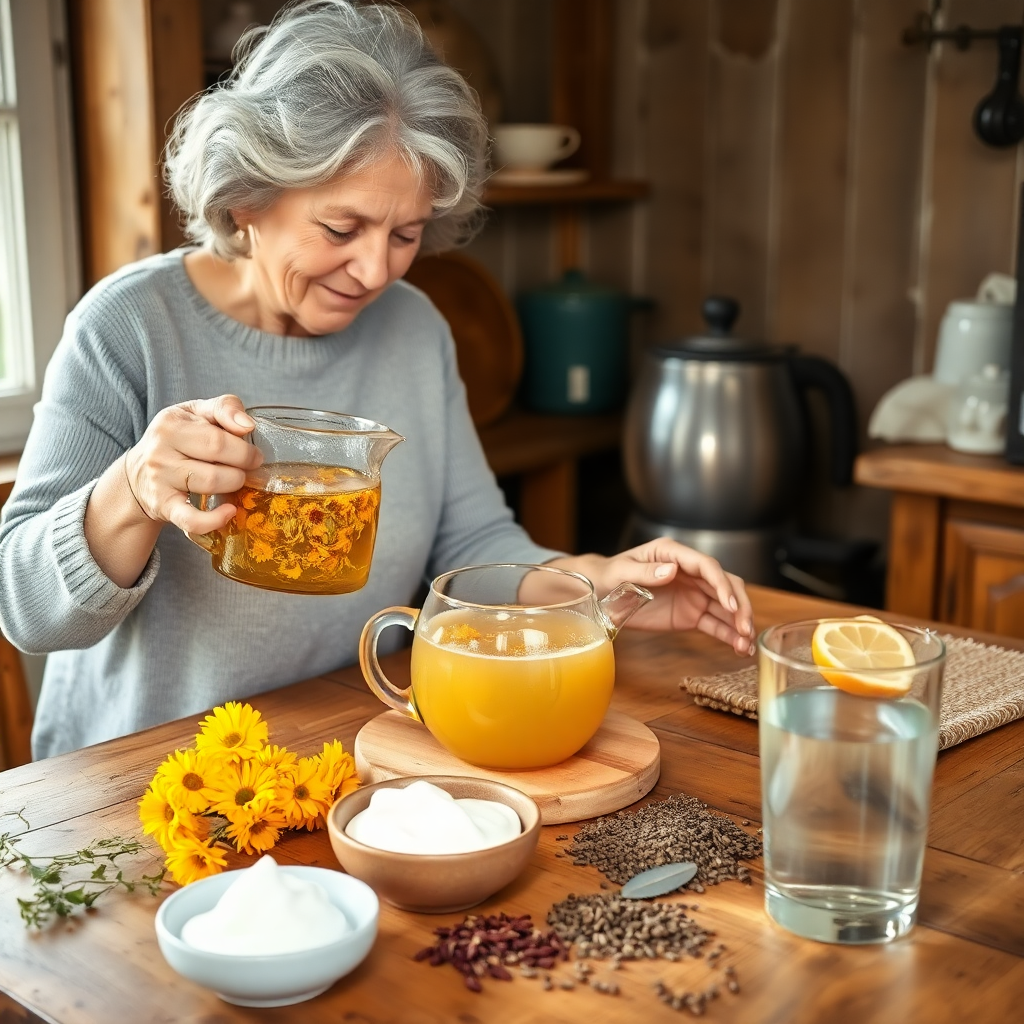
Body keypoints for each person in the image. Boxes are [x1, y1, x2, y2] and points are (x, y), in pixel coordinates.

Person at [0, 0, 754, 761]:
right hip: (145, 783)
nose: (373, 271)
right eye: (341, 229)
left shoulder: (414, 328)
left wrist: (598, 589)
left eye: (406, 234)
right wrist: (133, 489)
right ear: (246, 197)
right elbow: (26, 611)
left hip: (344, 759)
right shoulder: (129, 326)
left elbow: (475, 542)